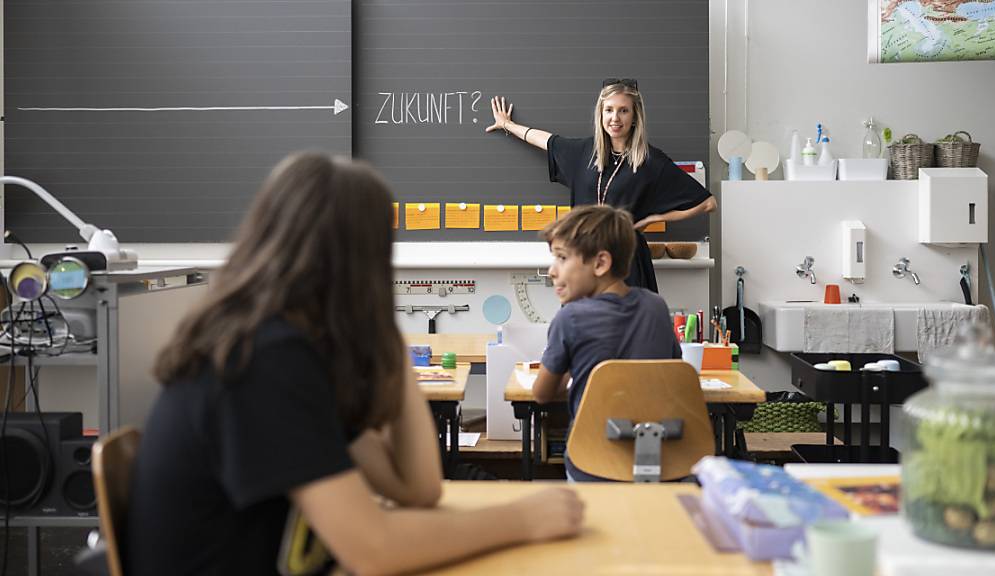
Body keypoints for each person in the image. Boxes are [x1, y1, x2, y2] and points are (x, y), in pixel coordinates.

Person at [125, 152, 584, 576]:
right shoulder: (264, 359)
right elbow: (374, 549)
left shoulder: (288, 346)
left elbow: (418, 488)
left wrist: (385, 337)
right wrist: (520, 518)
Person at [485, 79, 716, 292]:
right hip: (583, 258)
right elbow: (544, 140)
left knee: (627, 330)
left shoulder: (650, 161)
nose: (615, 118)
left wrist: (653, 219)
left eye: (623, 110)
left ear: (635, 116)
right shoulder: (583, 153)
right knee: (584, 328)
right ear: (601, 114)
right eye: (609, 110)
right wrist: (508, 125)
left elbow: (708, 203)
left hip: (626, 260)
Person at [532, 205, 682, 482]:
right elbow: (671, 372)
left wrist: (580, 380)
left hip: (591, 462)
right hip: (660, 459)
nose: (552, 271)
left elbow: (541, 394)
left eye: (562, 258)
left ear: (600, 263)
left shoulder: (570, 319)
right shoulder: (656, 307)